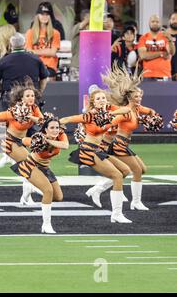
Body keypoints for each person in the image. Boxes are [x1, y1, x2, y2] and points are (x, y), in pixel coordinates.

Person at [59, 89, 133, 223]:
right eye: (98, 99)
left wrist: (110, 113)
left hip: (98, 150)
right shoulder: (88, 116)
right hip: (88, 150)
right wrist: (52, 127)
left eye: (103, 98)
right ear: (93, 102)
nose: (101, 100)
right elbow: (67, 119)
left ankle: (97, 190)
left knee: (125, 170)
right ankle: (116, 214)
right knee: (117, 176)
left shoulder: (108, 114)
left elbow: (127, 111)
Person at [102, 65, 159, 212]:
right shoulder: (126, 111)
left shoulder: (138, 109)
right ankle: (136, 202)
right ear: (129, 98)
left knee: (142, 169)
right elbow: (112, 121)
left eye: (140, 96)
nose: (139, 99)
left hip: (125, 144)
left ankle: (97, 189)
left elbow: (151, 111)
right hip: (119, 144)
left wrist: (152, 118)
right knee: (137, 170)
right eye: (136, 96)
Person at [11, 118, 69, 233]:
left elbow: (65, 145)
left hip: (45, 168)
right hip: (31, 165)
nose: (55, 130)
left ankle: (31, 188)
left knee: (58, 197)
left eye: (57, 127)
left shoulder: (61, 135)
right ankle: (46, 225)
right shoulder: (39, 138)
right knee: (48, 191)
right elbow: (24, 141)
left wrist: (48, 141)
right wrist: (26, 141)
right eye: (52, 128)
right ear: (45, 130)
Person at [0, 79, 44, 206]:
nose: (31, 98)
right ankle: (7, 156)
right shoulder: (15, 110)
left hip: (20, 142)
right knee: (31, 164)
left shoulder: (34, 108)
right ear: (21, 98)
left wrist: (30, 116)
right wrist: (6, 119)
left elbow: (42, 121)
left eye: (32, 95)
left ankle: (26, 197)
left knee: (29, 167)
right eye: (28, 96)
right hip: (10, 142)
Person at [0, 33, 49, 110]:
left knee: (11, 121)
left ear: (11, 45)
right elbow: (44, 78)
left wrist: (2, 91)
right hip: (31, 97)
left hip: (10, 98)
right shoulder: (36, 59)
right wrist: (38, 92)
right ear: (25, 44)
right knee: (31, 121)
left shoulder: (3, 61)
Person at [25, 5, 61, 79]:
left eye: (47, 14)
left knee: (49, 87)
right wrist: (47, 51)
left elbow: (53, 52)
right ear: (37, 16)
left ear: (50, 16)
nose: (45, 16)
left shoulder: (55, 33)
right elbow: (28, 52)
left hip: (49, 67)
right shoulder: (30, 32)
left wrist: (34, 51)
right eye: (42, 14)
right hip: (34, 65)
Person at [137, 14, 175, 80]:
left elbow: (171, 52)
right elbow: (143, 55)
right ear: (149, 23)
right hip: (147, 75)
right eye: (153, 21)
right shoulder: (143, 38)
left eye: (157, 22)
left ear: (160, 23)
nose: (155, 23)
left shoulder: (166, 37)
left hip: (165, 74)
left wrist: (170, 40)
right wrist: (161, 53)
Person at [70, 9, 89, 81]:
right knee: (75, 89)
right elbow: (81, 26)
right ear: (85, 17)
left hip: (88, 66)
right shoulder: (76, 27)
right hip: (77, 66)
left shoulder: (92, 30)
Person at [167, 12, 177, 80]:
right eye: (173, 19)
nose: (175, 21)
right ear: (169, 20)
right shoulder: (162, 35)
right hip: (164, 74)